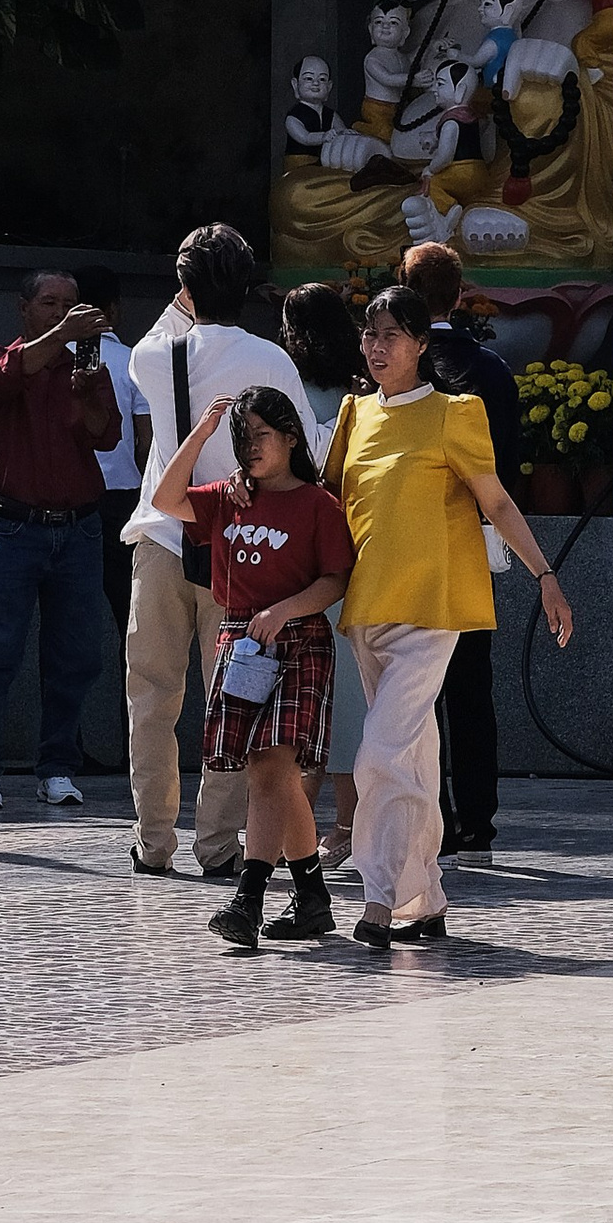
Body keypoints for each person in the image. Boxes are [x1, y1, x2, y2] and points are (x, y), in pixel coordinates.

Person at [326, 283, 570, 947]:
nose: (377, 347)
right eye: (369, 334)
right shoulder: (353, 415)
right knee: (412, 757)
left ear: (421, 344)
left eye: (391, 335)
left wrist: (544, 574)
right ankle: (426, 899)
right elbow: (329, 507)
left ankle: (378, 897)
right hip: (368, 606)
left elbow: (497, 503)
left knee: (379, 753)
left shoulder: (453, 412)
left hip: (433, 609)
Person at [124, 225, 319, 880]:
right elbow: (306, 445)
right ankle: (216, 845)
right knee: (233, 697)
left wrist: (184, 296)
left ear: (184, 287)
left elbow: (157, 333)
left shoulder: (154, 358)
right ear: (247, 286)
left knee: (152, 696)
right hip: (241, 546)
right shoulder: (271, 360)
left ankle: (153, 842)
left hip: (160, 537)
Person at [151, 384, 356, 949]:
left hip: (299, 639)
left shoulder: (318, 505)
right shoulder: (228, 498)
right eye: (243, 437)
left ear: (291, 437)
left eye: (261, 435)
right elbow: (167, 500)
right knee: (273, 774)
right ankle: (312, 894)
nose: (250, 447)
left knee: (270, 768)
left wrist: (285, 609)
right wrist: (203, 434)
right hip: (241, 640)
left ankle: (249, 897)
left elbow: (335, 579)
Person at [0, 267, 123, 813]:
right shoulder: (0, 358)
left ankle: (57, 767)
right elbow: (5, 376)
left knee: (74, 656)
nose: (61, 312)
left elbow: (106, 434)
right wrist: (62, 339)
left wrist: (87, 394)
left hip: (77, 528)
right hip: (15, 528)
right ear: (23, 308)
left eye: (70, 303)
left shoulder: (86, 365)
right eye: (50, 302)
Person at [399, 236, 524, 870]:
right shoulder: (493, 370)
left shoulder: (401, 372)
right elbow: (509, 470)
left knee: (414, 685)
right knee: (471, 684)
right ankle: (477, 817)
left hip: (411, 544)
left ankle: (434, 816)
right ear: (459, 292)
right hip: (476, 539)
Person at [281, 278, 367, 866]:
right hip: (351, 552)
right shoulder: (360, 392)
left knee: (308, 690)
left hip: (298, 556)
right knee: (350, 695)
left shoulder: (283, 390)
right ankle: (340, 825)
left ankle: (313, 826)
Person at [86, 270, 142, 658]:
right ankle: (130, 716)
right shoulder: (132, 361)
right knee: (128, 617)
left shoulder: (58, 361)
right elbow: (146, 439)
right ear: (114, 311)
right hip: (122, 496)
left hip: (70, 500)